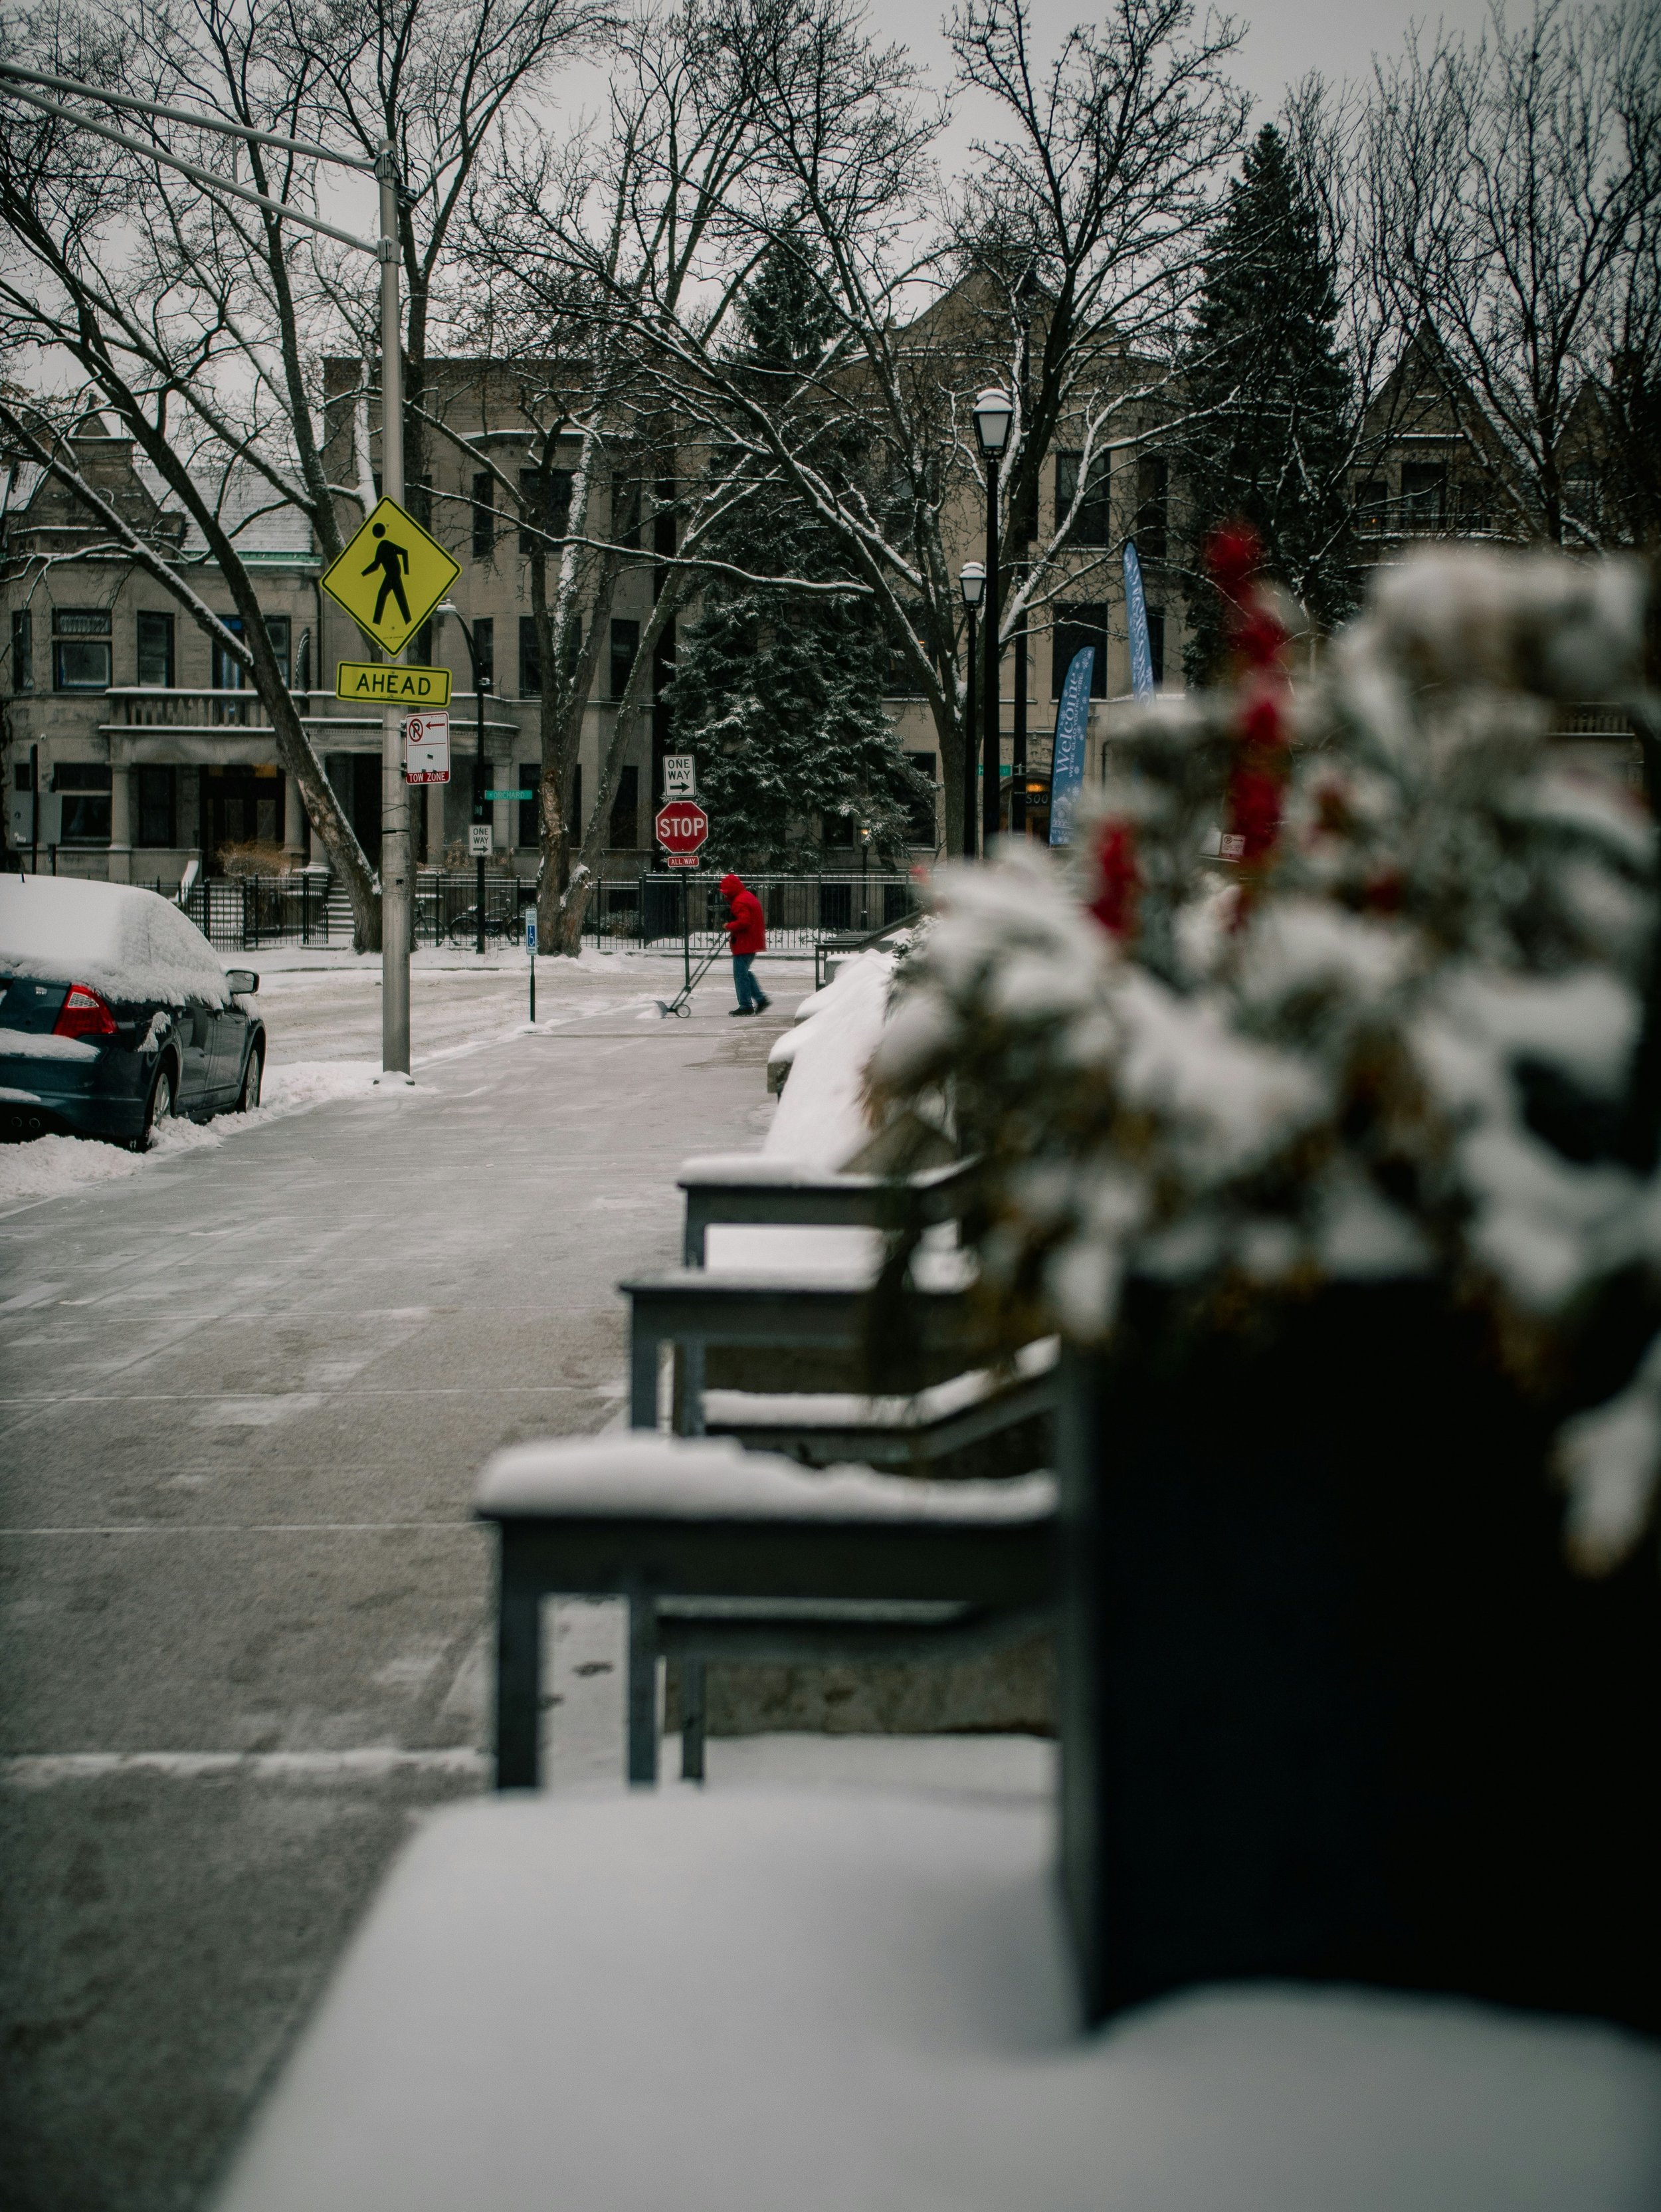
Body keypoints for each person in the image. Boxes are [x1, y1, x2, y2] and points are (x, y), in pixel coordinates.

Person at [720, 872, 769, 1015]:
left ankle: (746, 1005)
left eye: (725, 892)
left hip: (744, 943)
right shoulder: (746, 896)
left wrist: (729, 926)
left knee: (740, 975)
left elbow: (745, 922)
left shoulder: (739, 901)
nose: (724, 896)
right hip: (751, 942)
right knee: (745, 973)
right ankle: (760, 999)